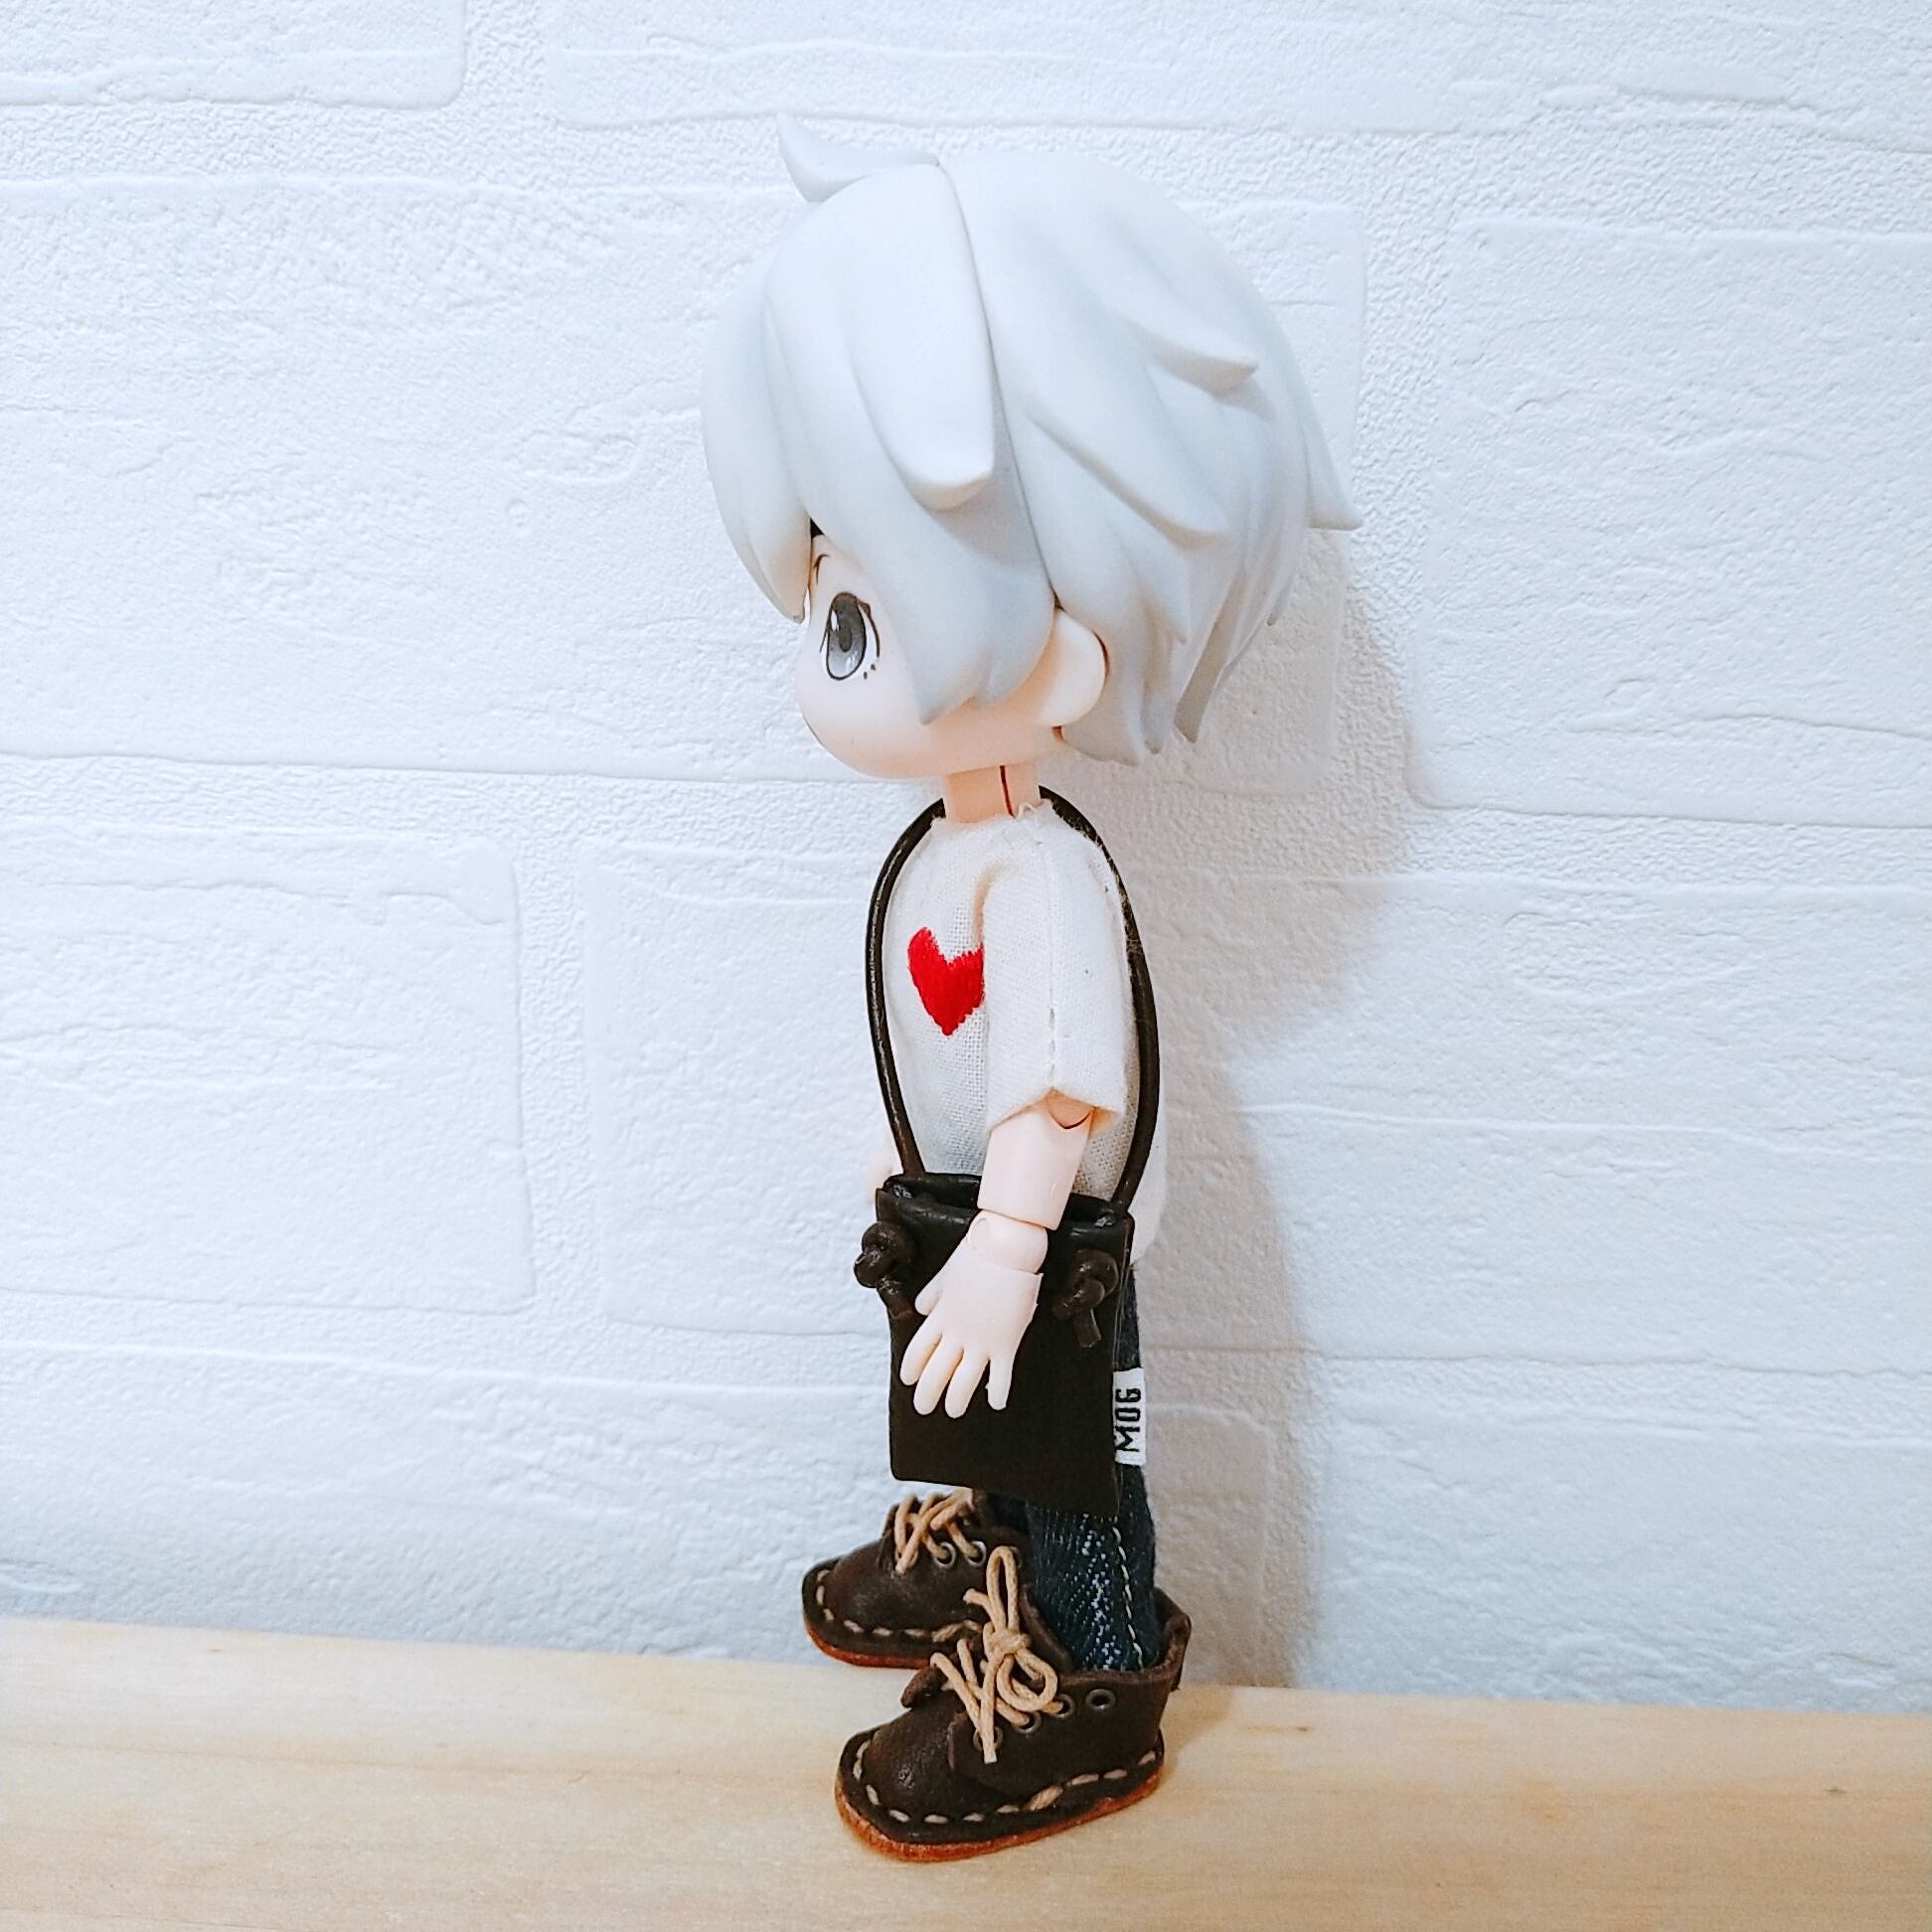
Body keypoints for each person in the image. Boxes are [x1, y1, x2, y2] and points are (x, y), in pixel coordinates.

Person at [700, 118, 1353, 1857]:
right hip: (972, 1222)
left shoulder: (1043, 875)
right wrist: (911, 1190)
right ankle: (987, 1568)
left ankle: (1098, 1669)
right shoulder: (951, 851)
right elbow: (935, 1029)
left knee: (1076, 1452)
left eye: (867, 612)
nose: (828, 650)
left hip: (1054, 1247)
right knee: (993, 1429)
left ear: (1066, 644)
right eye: (832, 596)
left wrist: (1005, 1245)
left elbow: (1058, 1081)